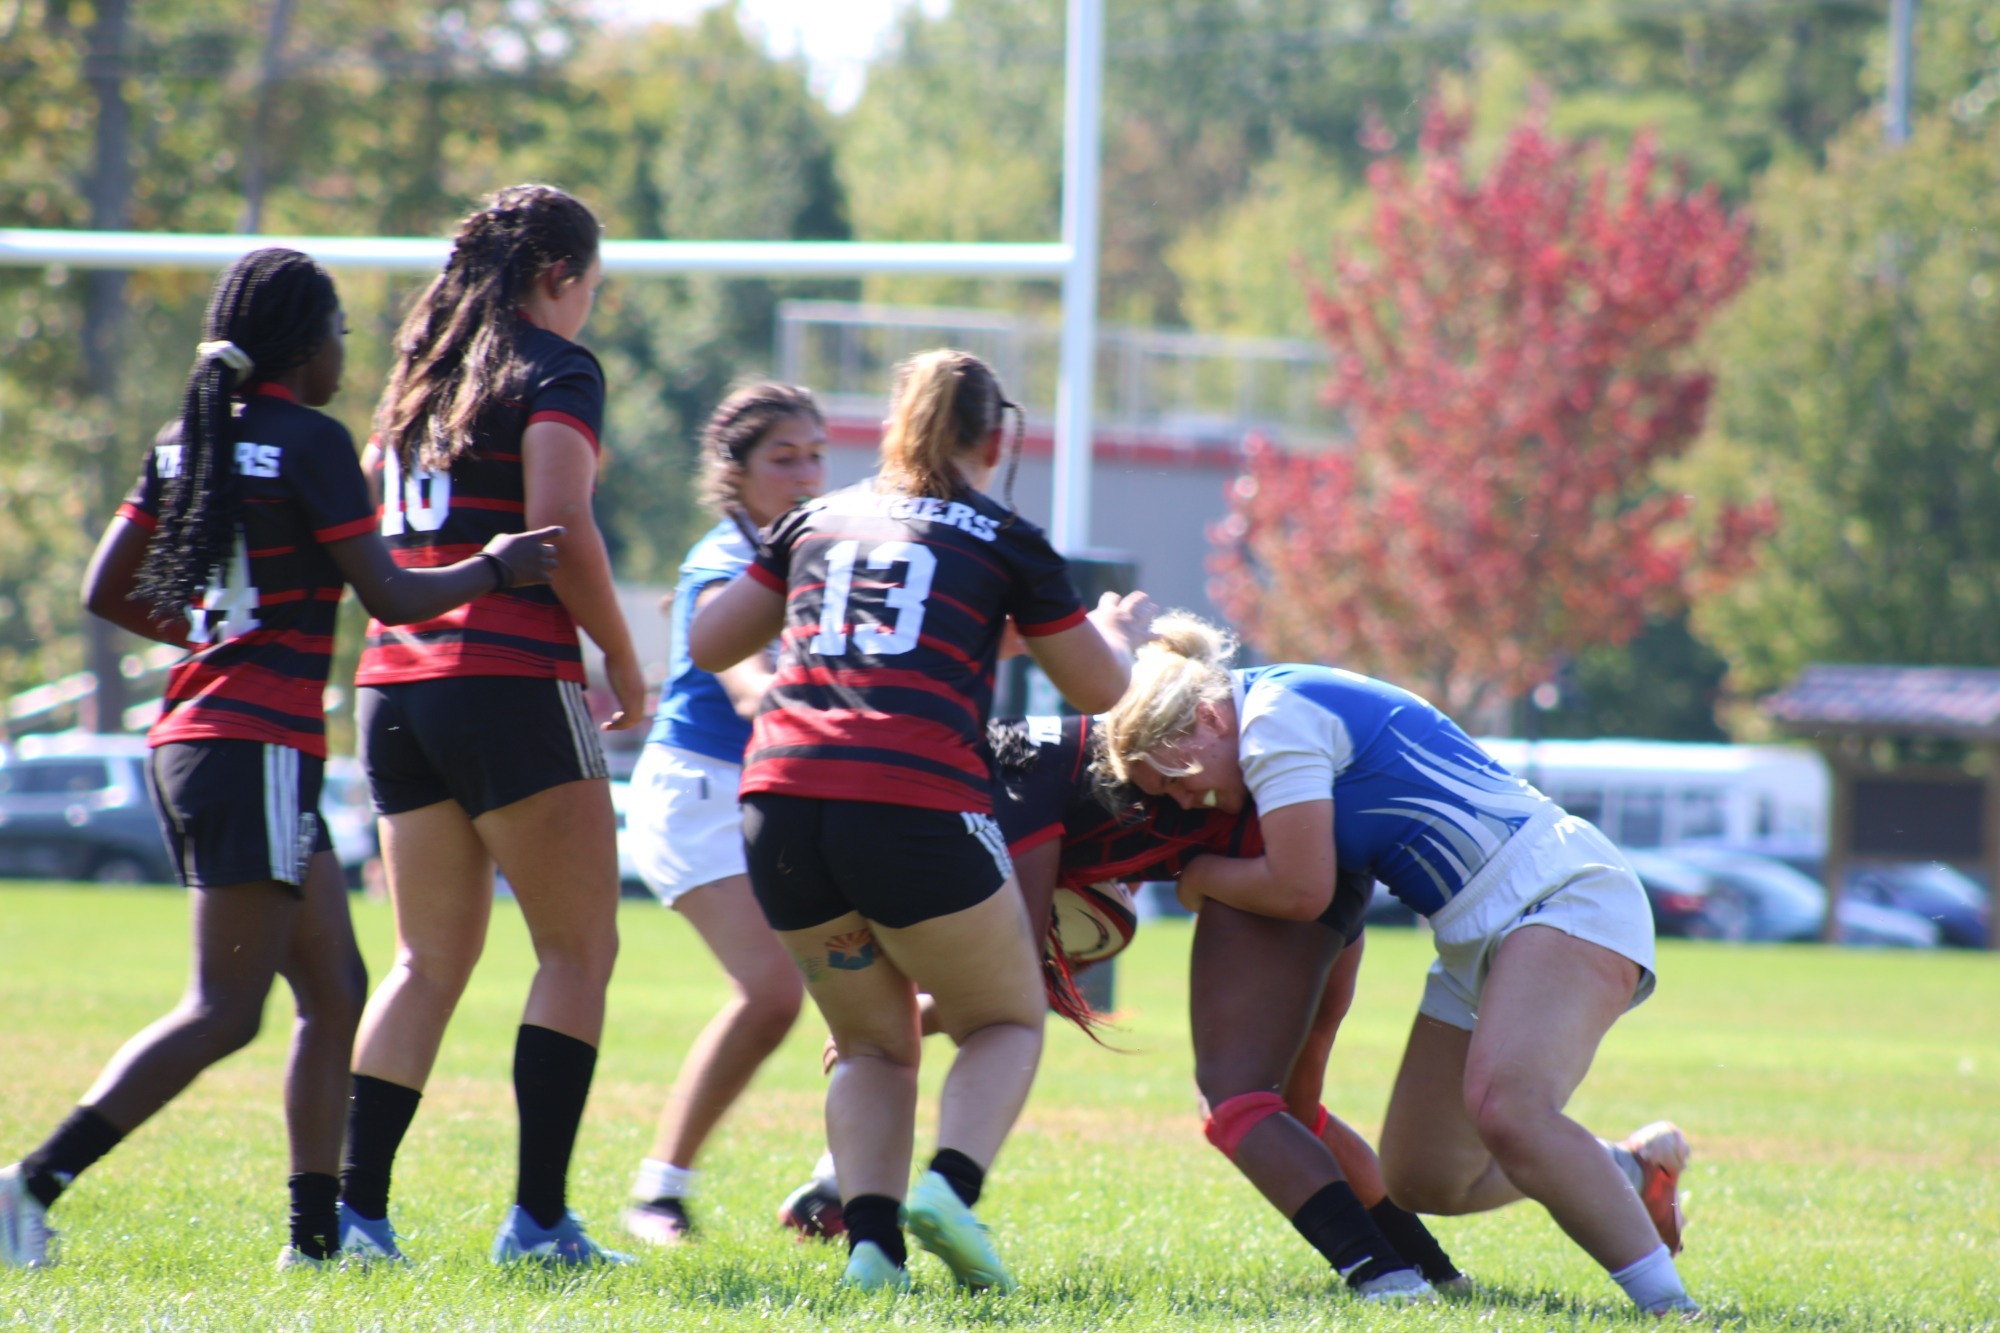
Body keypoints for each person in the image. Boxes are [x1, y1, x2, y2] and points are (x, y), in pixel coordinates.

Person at [0, 248, 558, 1272]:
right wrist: (494, 564)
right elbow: (390, 595)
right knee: (224, 1008)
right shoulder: (309, 439)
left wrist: (212, 639)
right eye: (339, 326)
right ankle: (30, 1182)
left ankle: (314, 1242)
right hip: (250, 743)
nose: (347, 345)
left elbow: (104, 587)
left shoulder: (189, 437)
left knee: (335, 989)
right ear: (305, 342)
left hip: (210, 734)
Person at [688, 349, 1144, 1293]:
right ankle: (950, 1187)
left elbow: (710, 640)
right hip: (908, 799)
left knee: (870, 1042)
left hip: (779, 799)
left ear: (892, 427)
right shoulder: (1004, 536)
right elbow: (1102, 688)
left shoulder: (814, 517)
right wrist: (1116, 634)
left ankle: (872, 1250)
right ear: (995, 437)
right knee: (1010, 1018)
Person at [1099, 613, 1697, 1315]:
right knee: (1424, 1178)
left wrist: (1197, 872)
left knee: (1511, 1111)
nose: (1183, 799)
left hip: (1559, 892)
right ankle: (1629, 1170)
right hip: (1482, 935)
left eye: (1174, 778)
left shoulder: (1271, 720)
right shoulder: (1255, 714)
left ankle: (1674, 1309)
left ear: (1206, 718)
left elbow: (1301, 887)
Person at [780, 713, 1466, 1298]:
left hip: (1287, 871)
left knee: (1241, 1102)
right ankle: (1430, 1270)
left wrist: (920, 1013)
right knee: (1292, 1104)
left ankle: (1385, 1276)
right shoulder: (1035, 757)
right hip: (1326, 857)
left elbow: (1014, 962)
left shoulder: (1011, 779)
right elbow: (1056, 933)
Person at [336, 184, 644, 1268]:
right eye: (588, 291)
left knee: (425, 960)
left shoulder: (415, 382)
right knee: (577, 946)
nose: (587, 314)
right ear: (557, 276)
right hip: (506, 677)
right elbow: (559, 526)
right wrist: (620, 650)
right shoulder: (551, 367)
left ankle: (353, 1217)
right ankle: (541, 1222)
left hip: (394, 685)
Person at [621, 384, 828, 1246]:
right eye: (784, 457)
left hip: (775, 795)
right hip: (699, 797)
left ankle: (841, 1183)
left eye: (816, 453)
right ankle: (656, 1193)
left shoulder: (819, 551)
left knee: (888, 980)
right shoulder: (723, 559)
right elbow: (749, 682)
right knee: (773, 992)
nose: (807, 472)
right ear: (734, 472)